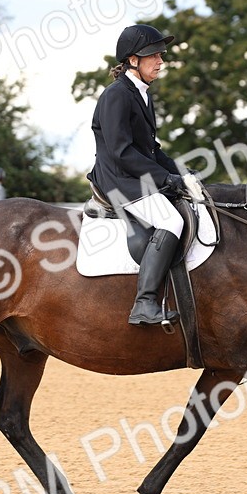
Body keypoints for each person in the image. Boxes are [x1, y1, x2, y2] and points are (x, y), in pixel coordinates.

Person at [87, 24, 187, 326]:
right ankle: (144, 303)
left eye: (161, 55)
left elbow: (152, 149)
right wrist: (163, 178)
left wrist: (180, 173)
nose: (160, 62)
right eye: (153, 56)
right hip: (118, 180)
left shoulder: (141, 94)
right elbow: (122, 151)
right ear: (133, 61)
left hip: (134, 175)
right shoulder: (117, 95)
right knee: (172, 220)